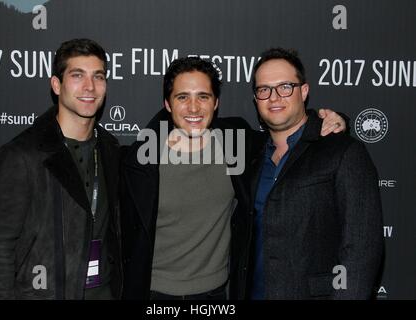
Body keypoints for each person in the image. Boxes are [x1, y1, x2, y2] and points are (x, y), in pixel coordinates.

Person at [120, 56, 346, 300]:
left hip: (217, 294)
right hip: (154, 293)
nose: (193, 108)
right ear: (167, 104)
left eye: (203, 97)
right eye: (182, 97)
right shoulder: (142, 159)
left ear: (216, 102)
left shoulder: (236, 143)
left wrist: (334, 120)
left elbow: (289, 132)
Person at [0, 38, 123, 299]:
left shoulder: (111, 150)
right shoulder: (21, 156)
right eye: (77, 75)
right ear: (57, 85)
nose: (89, 86)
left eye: (98, 76)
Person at [249, 47, 383, 300]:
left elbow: (361, 250)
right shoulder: (251, 154)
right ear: (256, 99)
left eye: (285, 86)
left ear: (305, 91)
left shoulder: (343, 151)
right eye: (264, 90)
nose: (274, 97)